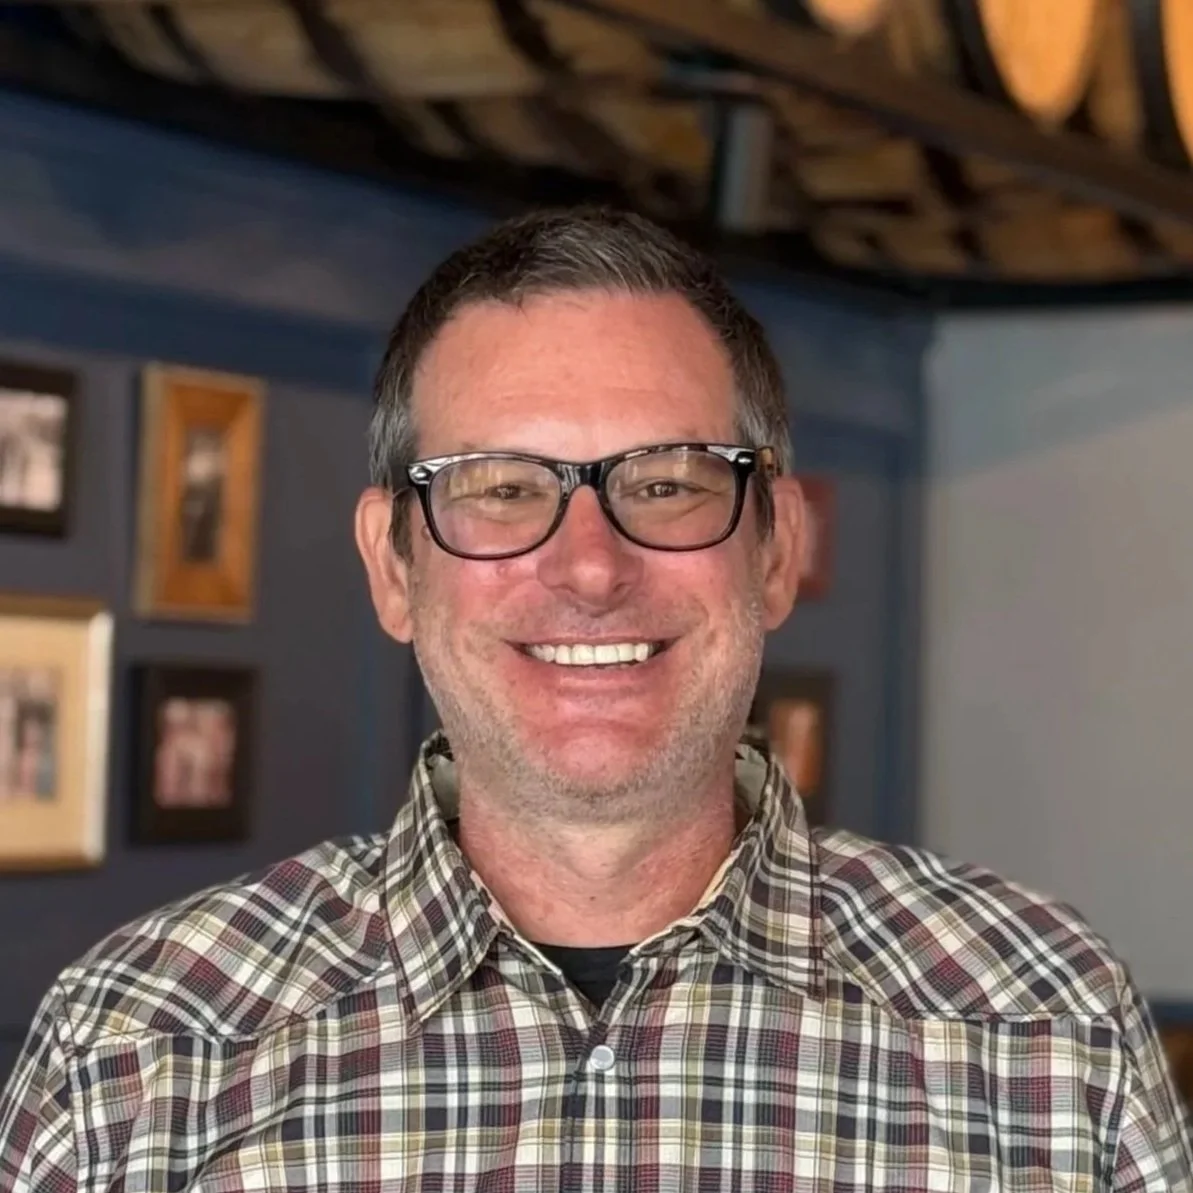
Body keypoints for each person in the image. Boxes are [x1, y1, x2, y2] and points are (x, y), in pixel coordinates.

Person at [1, 206, 1190, 1191]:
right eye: (500, 488)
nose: (585, 565)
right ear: (390, 564)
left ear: (776, 548)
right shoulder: (141, 1051)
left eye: (666, 483)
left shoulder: (1041, 1026)